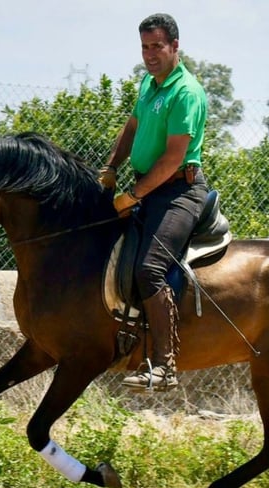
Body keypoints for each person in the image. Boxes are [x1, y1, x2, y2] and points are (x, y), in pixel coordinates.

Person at [99, 13, 209, 392]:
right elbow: (132, 127)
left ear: (175, 46)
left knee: (150, 269)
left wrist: (133, 195)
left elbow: (173, 159)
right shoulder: (149, 83)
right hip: (148, 187)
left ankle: (164, 365)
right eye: (145, 47)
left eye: (157, 46)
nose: (149, 55)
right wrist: (111, 166)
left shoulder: (186, 92)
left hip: (179, 192)